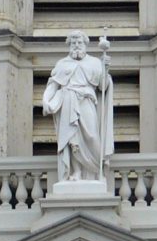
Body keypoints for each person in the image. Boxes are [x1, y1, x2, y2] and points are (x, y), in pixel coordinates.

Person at [42, 31, 114, 182]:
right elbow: (53, 85)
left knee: (93, 135)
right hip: (68, 101)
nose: (76, 46)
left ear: (85, 44)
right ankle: (76, 172)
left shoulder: (95, 62)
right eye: (73, 43)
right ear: (69, 45)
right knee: (71, 139)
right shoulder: (62, 64)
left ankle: (96, 169)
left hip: (86, 101)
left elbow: (103, 87)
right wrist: (46, 100)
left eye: (79, 43)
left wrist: (105, 69)